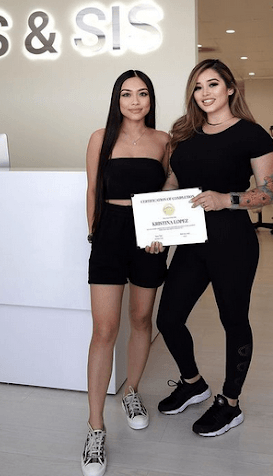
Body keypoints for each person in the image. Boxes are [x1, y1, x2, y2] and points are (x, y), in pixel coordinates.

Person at [147, 58, 273, 437]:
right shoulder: (184, 133)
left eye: (213, 84)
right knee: (168, 319)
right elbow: (173, 183)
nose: (204, 93)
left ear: (230, 88)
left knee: (233, 320)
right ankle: (193, 383)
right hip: (190, 241)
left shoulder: (252, 134)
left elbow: (270, 192)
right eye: (198, 87)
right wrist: (157, 224)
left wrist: (225, 199)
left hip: (232, 241)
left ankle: (230, 404)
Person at [82, 69, 170, 476]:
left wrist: (161, 230)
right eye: (127, 94)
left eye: (143, 94)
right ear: (117, 99)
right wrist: (93, 234)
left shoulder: (164, 141)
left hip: (148, 237)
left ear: (150, 100)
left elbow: (170, 189)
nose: (135, 101)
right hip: (110, 233)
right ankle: (95, 426)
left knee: (141, 319)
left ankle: (131, 391)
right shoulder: (100, 138)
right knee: (104, 329)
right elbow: (92, 189)